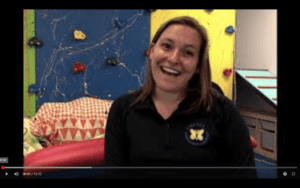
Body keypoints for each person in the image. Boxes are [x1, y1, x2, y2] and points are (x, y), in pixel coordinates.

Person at [104, 16, 257, 179]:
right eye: (166, 46)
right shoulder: (123, 109)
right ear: (152, 51)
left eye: (188, 53)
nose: (173, 59)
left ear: (198, 65)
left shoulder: (224, 111)